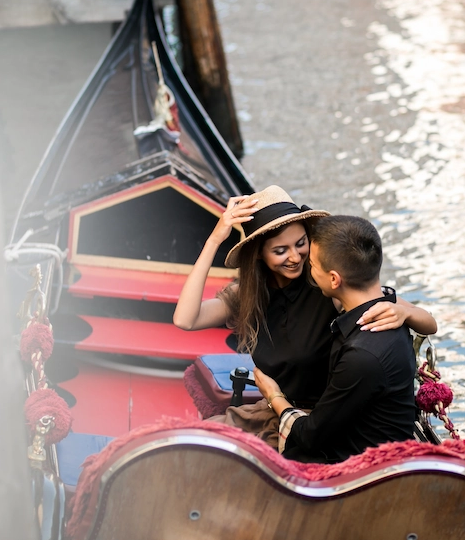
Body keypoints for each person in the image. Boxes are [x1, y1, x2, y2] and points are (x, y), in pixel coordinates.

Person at [173, 186, 435, 447]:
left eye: (301, 244)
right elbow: (186, 319)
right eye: (280, 251)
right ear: (260, 255)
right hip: (275, 411)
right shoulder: (247, 295)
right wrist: (214, 240)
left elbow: (429, 323)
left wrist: (404, 311)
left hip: (323, 422)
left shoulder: (326, 285)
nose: (295, 257)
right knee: (192, 445)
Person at [254, 215, 417, 463]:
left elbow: (310, 436)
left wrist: (274, 396)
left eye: (313, 265)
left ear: (333, 279)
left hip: (357, 468)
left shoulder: (361, 356)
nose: (305, 266)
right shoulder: (385, 313)